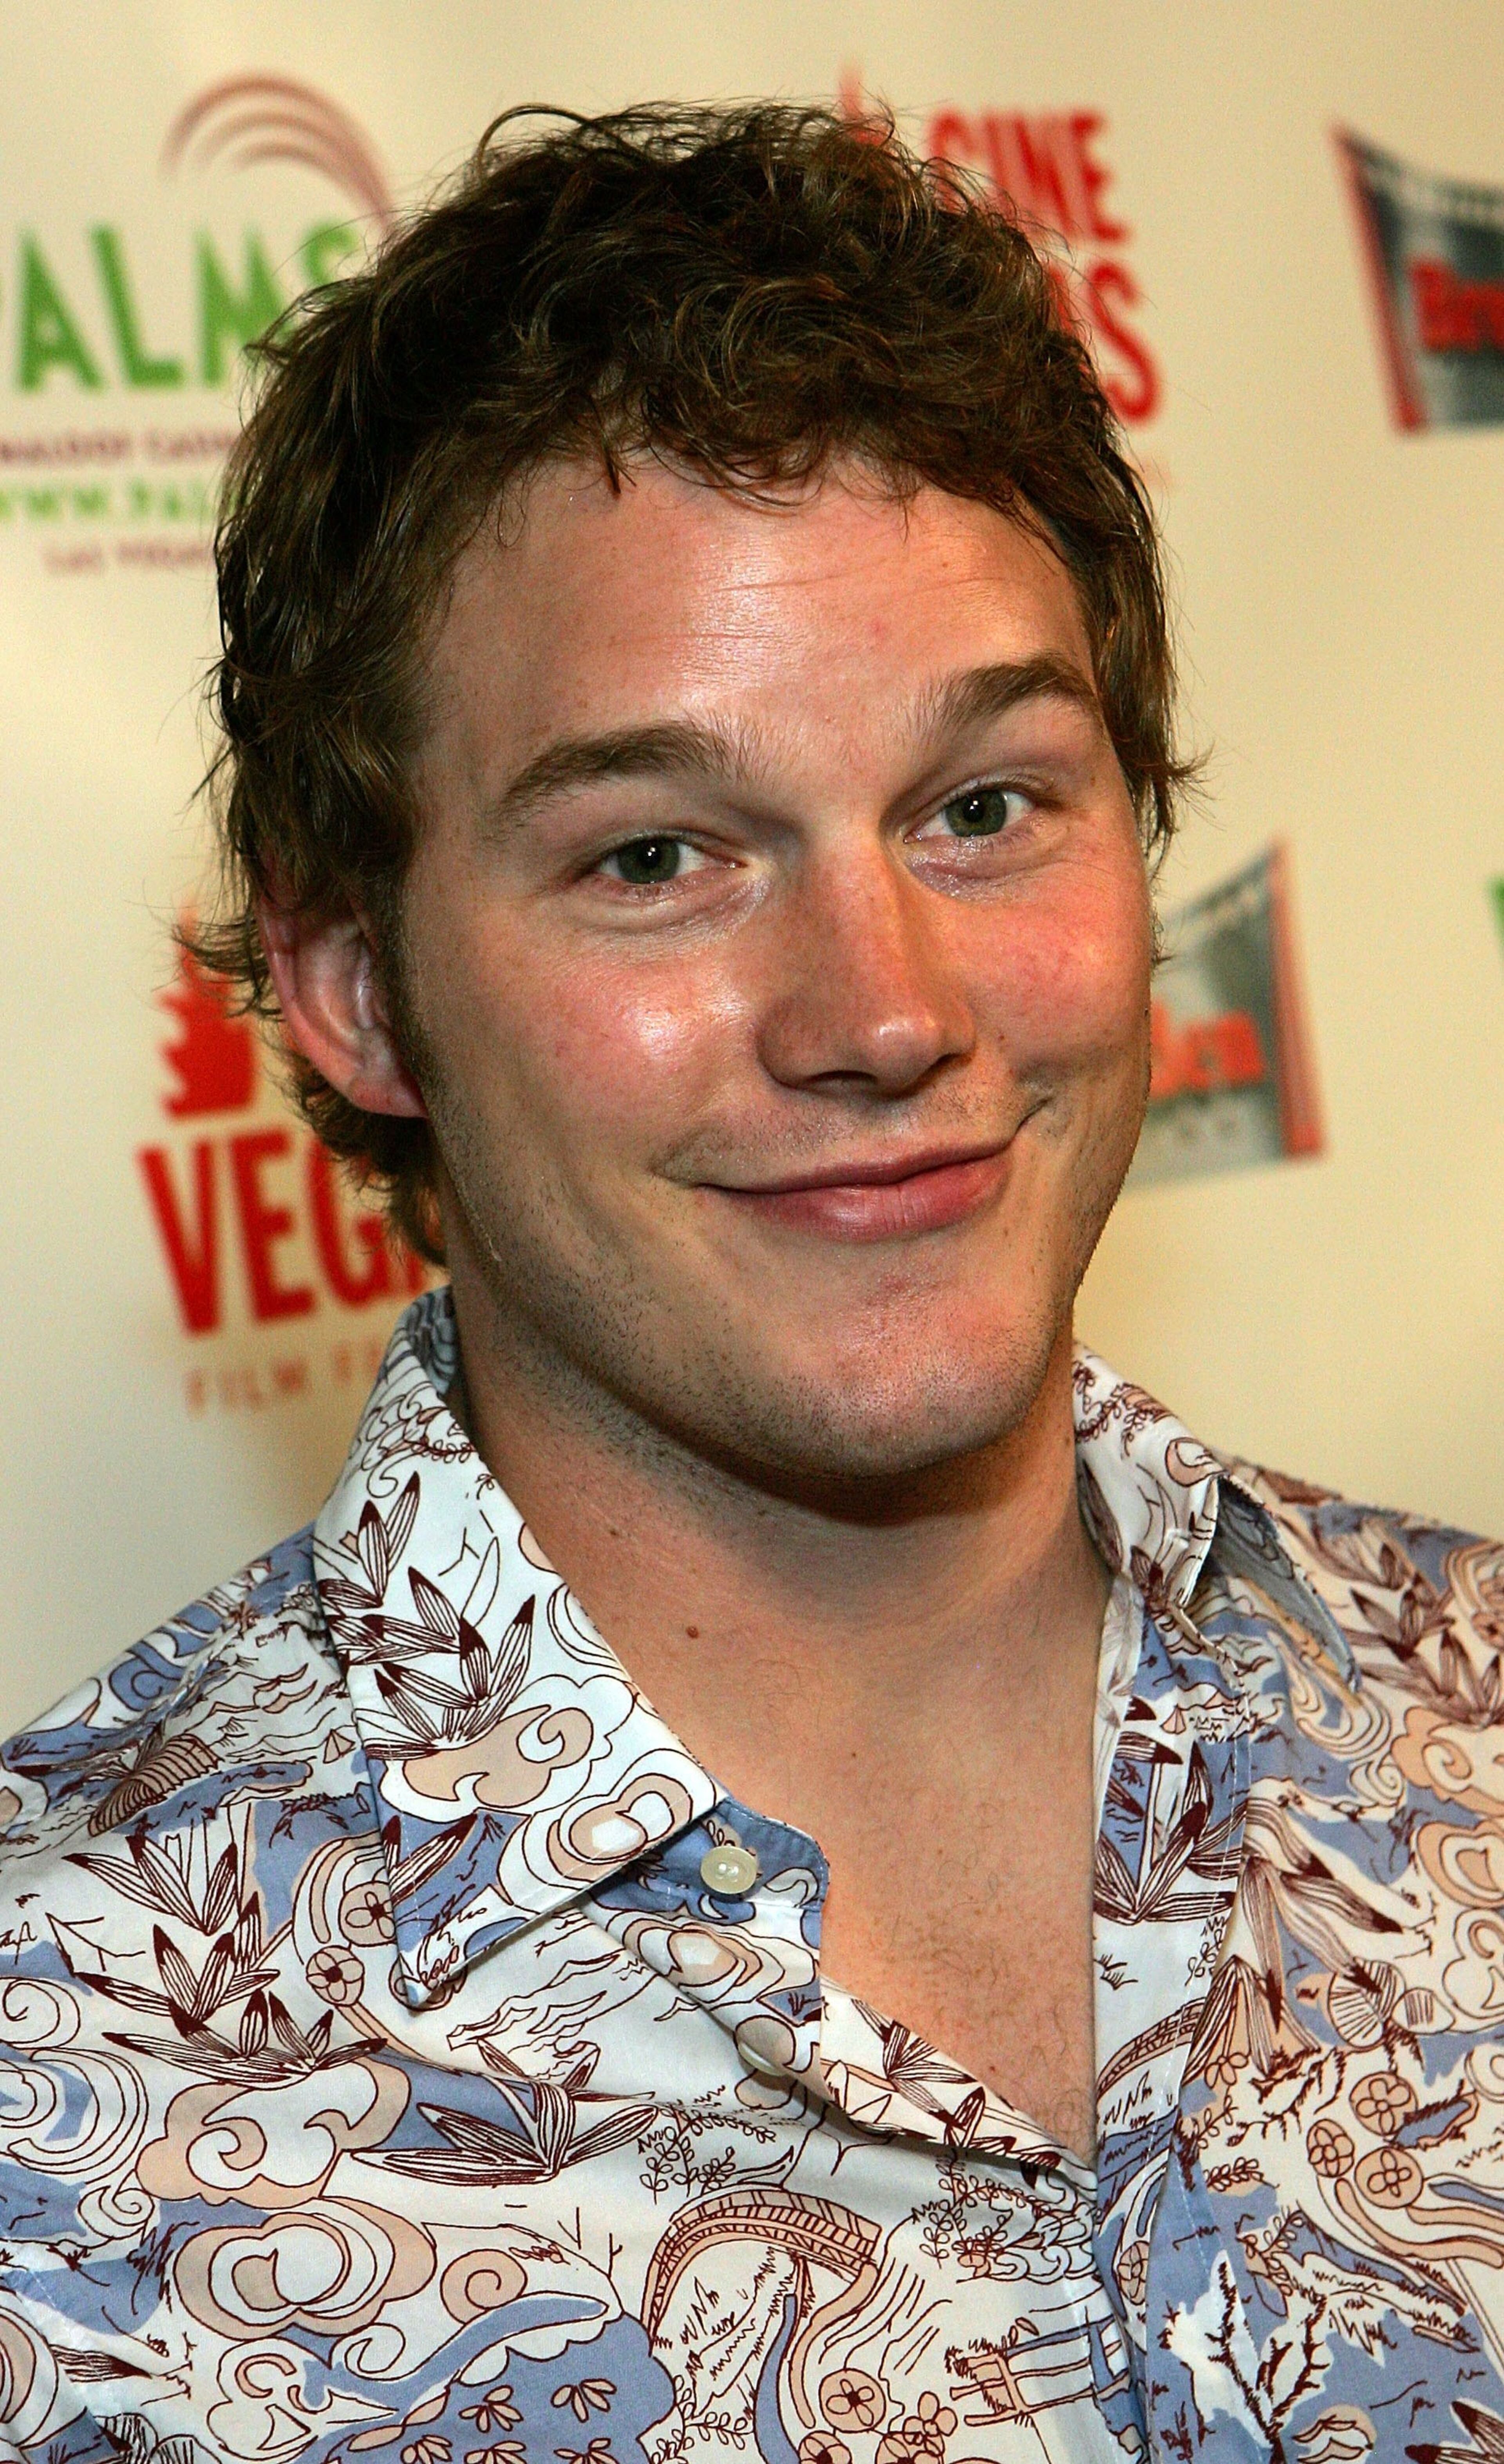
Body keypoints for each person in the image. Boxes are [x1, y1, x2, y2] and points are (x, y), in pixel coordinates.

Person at [0, 104, 1499, 2464]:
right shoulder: (51, 2105)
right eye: (661, 856)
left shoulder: (1475, 1711)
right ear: (353, 988)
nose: (885, 1012)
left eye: (982, 807)